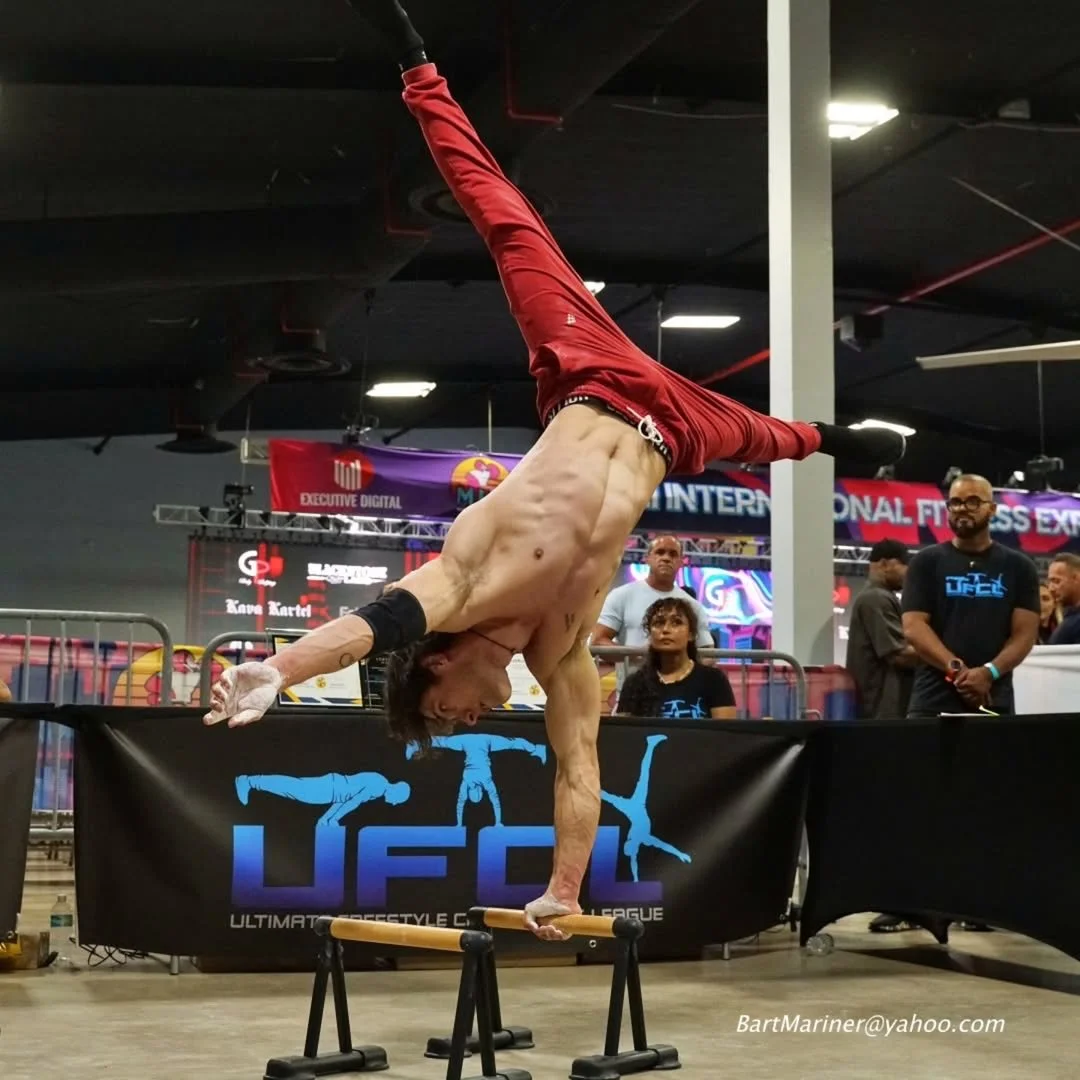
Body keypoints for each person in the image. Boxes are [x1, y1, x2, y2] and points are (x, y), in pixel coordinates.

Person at [203, 0, 905, 940]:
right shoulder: (562, 654)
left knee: (505, 220)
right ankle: (839, 436)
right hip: (677, 432)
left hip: (595, 372)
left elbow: (370, 628)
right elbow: (582, 771)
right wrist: (566, 891)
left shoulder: (459, 582)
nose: (459, 724)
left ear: (437, 664)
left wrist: (275, 674)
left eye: (442, 716)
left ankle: (418, 71)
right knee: (780, 440)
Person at [901, 474, 1040, 718]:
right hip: (932, 700)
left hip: (994, 699)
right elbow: (913, 627)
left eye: (974, 501)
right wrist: (958, 671)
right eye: (955, 502)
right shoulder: (926, 562)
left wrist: (988, 673)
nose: (963, 508)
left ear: (993, 509)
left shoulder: (1019, 567)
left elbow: (1024, 635)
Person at [592, 534, 714, 688]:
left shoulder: (693, 606)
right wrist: (641, 654)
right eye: (660, 552)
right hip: (632, 695)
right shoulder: (622, 595)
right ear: (647, 558)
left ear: (681, 562)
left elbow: (708, 655)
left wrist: (682, 668)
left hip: (679, 697)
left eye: (673, 554)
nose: (666, 558)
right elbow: (597, 642)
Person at [616, 597, 736, 719]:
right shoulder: (635, 683)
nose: (665, 630)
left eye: (676, 622)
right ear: (650, 634)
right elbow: (626, 734)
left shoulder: (714, 680)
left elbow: (725, 734)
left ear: (691, 634)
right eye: (659, 623)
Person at [845, 539, 916, 719]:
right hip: (880, 709)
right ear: (885, 564)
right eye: (904, 565)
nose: (907, 573)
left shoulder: (881, 597)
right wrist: (942, 658)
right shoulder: (876, 598)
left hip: (883, 708)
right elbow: (899, 655)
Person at [1046, 554, 1080, 644]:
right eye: (1050, 582)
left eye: (1056, 581)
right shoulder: (1070, 619)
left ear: (1076, 578)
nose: (1051, 589)